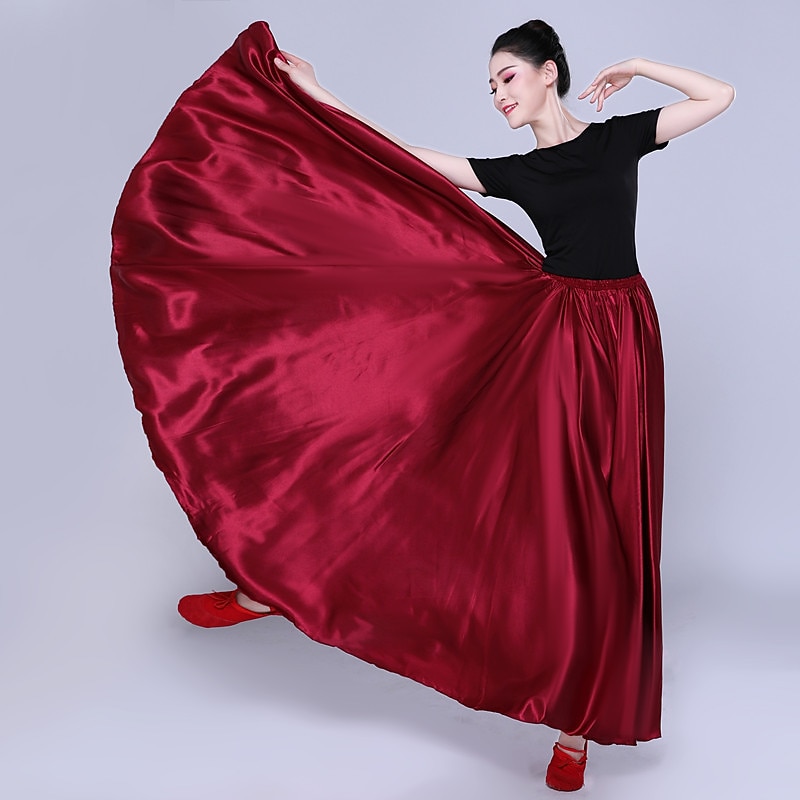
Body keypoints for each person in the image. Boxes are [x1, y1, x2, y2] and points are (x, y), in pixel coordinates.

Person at [113, 19, 733, 794]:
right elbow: (401, 158)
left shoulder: (619, 140)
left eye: (508, 76)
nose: (498, 94)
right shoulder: (520, 172)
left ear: (549, 72)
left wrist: (637, 64)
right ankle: (277, 576)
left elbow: (720, 95)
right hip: (556, 342)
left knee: (607, 514)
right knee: (488, 488)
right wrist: (319, 97)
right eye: (491, 85)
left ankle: (578, 724)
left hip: (626, 338)